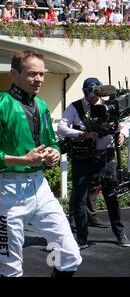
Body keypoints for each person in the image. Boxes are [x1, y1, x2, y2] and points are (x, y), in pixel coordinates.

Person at [0, 51, 82, 277]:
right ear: (14, 74)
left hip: (40, 188)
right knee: (12, 268)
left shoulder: (42, 106)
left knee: (69, 255)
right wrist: (22, 160)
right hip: (9, 191)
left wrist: (53, 151)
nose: (39, 79)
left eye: (42, 74)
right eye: (33, 74)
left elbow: (51, 141)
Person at [57, 77, 130, 249]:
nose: (93, 99)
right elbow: (62, 127)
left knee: (111, 196)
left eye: (95, 96)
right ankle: (82, 237)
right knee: (79, 198)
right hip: (82, 158)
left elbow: (124, 124)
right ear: (84, 93)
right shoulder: (75, 107)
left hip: (105, 157)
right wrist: (81, 134)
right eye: (90, 96)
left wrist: (122, 134)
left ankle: (120, 232)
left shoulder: (110, 105)